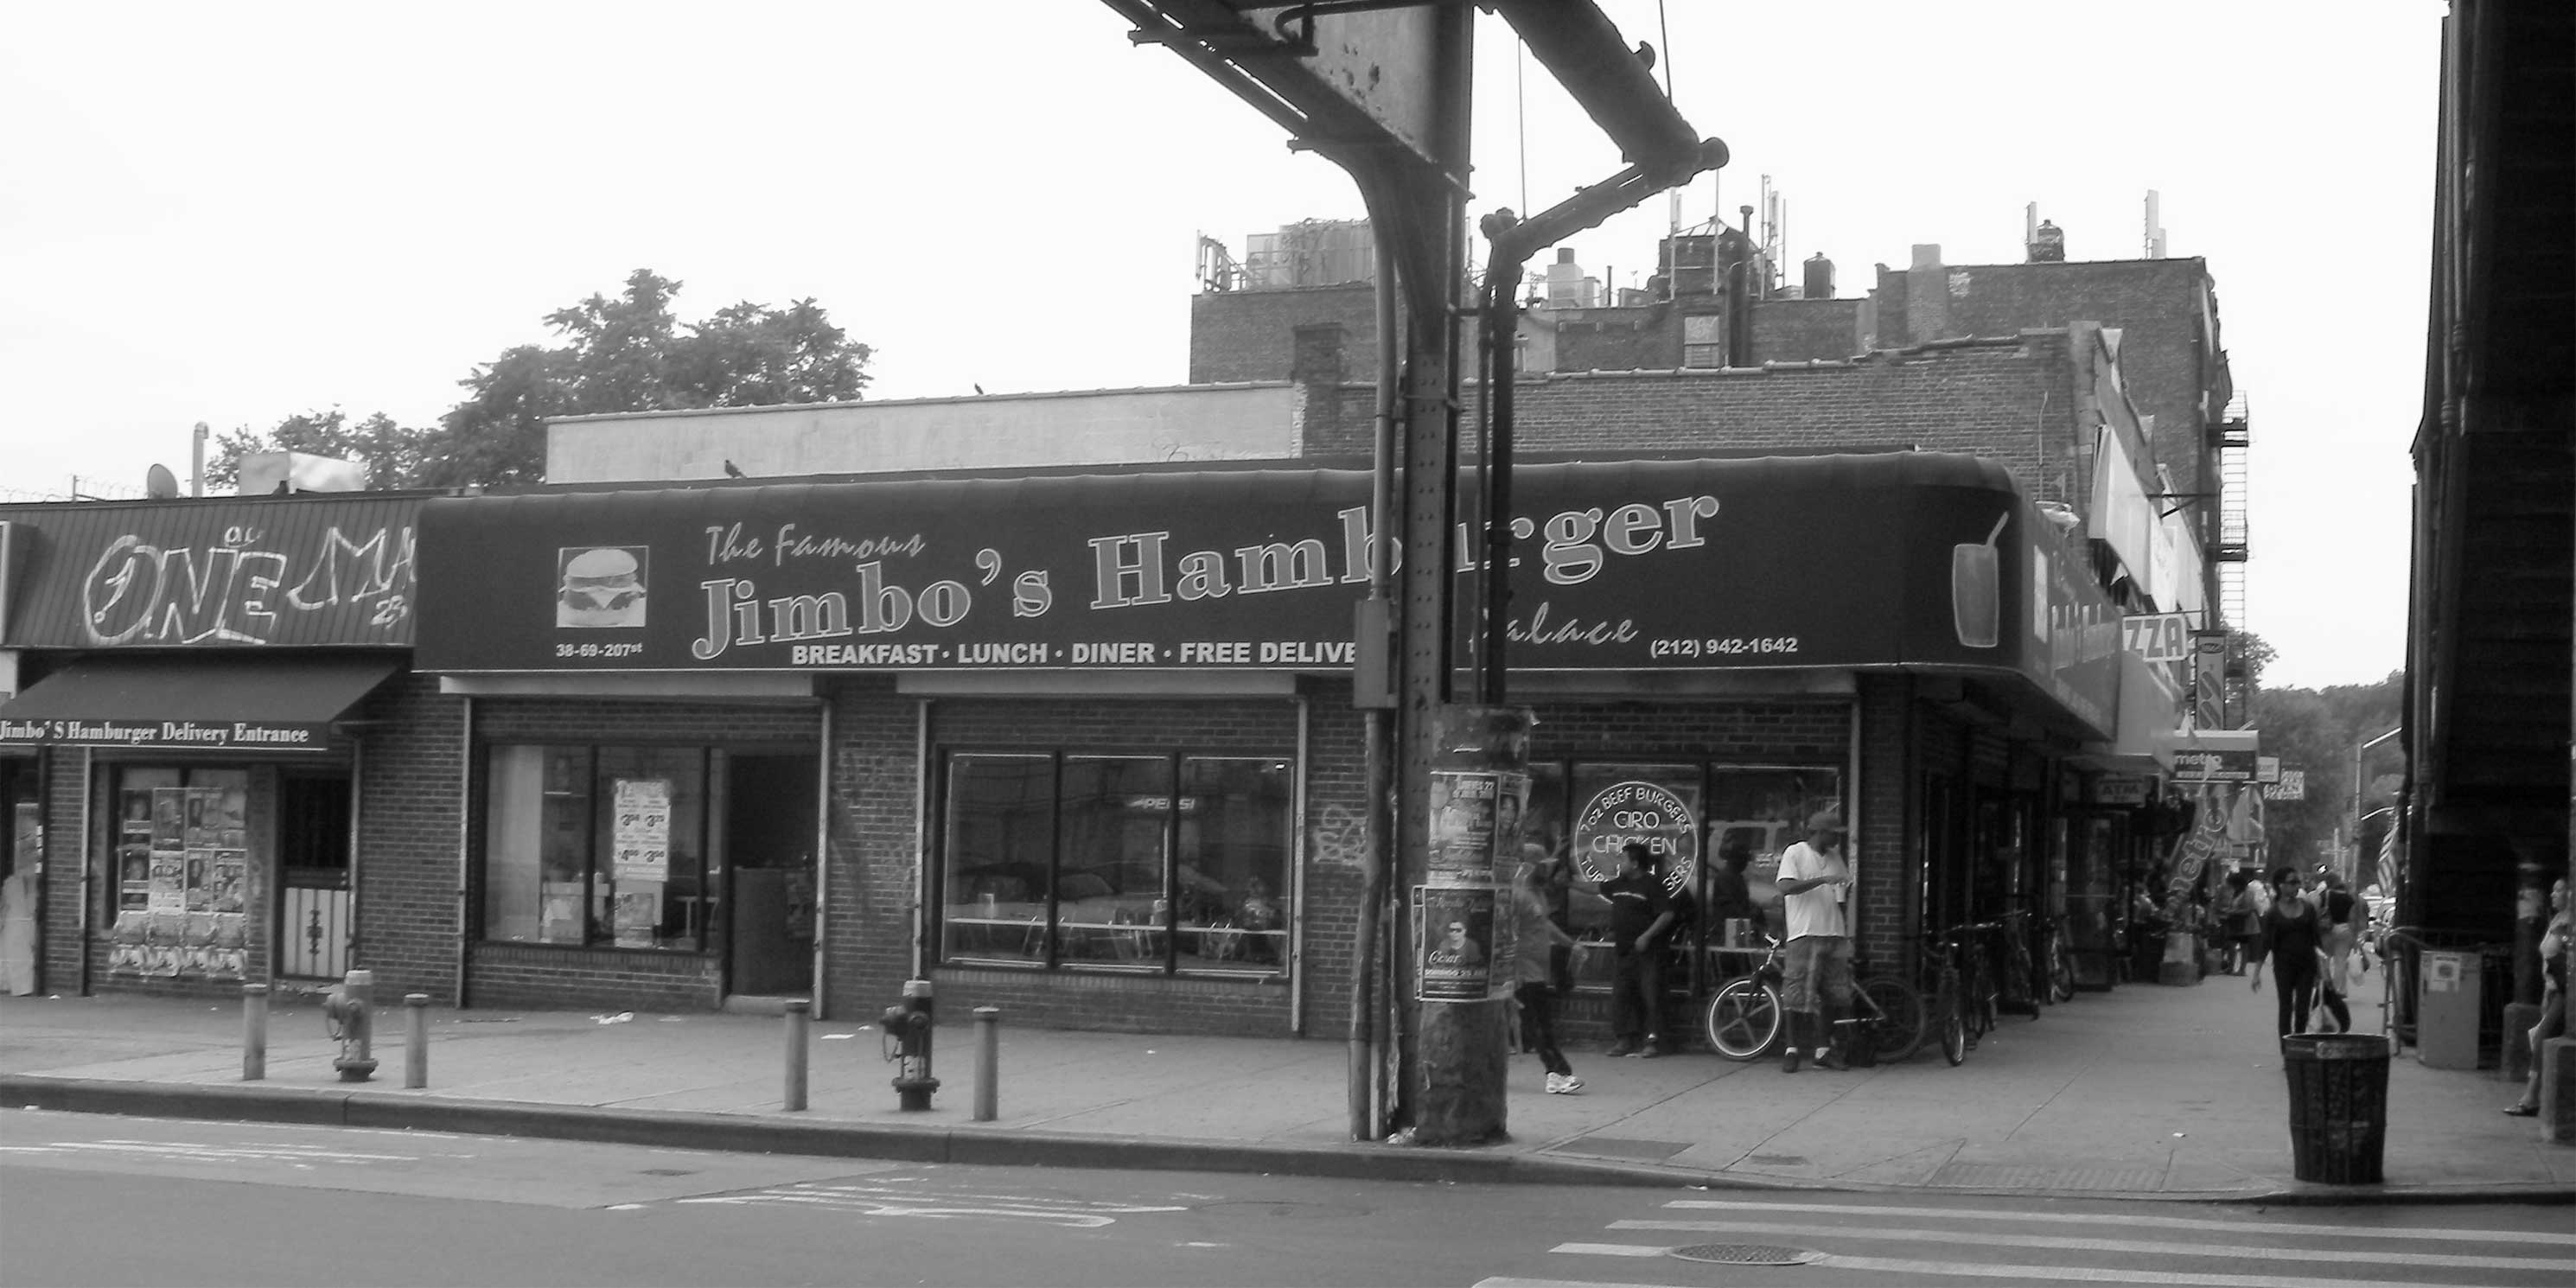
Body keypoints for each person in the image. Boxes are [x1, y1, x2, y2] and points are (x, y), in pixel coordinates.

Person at [1775, 808, 1855, 1073]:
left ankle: (1823, 1051)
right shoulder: (1795, 853)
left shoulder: (1835, 857)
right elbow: (1786, 887)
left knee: (1833, 995)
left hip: (1833, 933)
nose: (1837, 839)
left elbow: (1841, 893)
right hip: (1804, 933)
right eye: (1834, 834)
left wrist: (1845, 929)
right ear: (1820, 832)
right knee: (1796, 994)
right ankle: (1792, 1049)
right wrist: (1822, 880)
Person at [1514, 859, 1583, 1094]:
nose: (1548, 871)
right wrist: (1512, 971)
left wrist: (1570, 944)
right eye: (1543, 866)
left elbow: (1544, 925)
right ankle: (1557, 1073)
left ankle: (1559, 1072)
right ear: (1530, 867)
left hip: (1536, 971)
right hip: (1524, 971)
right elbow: (1506, 932)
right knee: (1538, 1024)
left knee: (1538, 1023)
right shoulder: (1518, 895)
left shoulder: (1537, 894)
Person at [1601, 841, 1676, 1057]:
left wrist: (1647, 935)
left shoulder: (1652, 886)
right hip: (1624, 949)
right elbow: (1595, 889)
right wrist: (1568, 883)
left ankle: (1652, 1040)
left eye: (1623, 859)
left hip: (1647, 951)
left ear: (1635, 863)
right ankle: (1625, 1038)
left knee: (1650, 995)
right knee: (1623, 995)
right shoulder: (1619, 884)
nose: (1619, 862)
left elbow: (1667, 914)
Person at [2504, 877, 2569, 1118]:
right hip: (2553, 988)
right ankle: (2538, 1094)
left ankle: (2531, 1096)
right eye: (2552, 890)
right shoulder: (2557, 919)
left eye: (2559, 890)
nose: (2553, 895)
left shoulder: (2569, 923)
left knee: (2543, 1036)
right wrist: (2546, 993)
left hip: (2566, 990)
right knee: (2541, 1036)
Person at [2251, 866, 2326, 1037]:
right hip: (2283, 967)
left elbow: (2317, 941)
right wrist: (2256, 974)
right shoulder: (2273, 913)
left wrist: (2323, 970)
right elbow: (2265, 944)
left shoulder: (2308, 909)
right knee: (2286, 1008)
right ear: (2280, 885)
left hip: (2307, 966)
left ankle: (2299, 1045)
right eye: (2292, 883)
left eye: (2297, 883)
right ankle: (2287, 1050)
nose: (2296, 886)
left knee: (2302, 1010)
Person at [2315, 872, 2362, 1032]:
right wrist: (2355, 937)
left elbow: (2317, 910)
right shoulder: (2350, 898)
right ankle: (2339, 990)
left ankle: (2326, 988)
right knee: (2341, 961)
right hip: (2344, 929)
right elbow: (2353, 917)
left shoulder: (2325, 895)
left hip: (2328, 929)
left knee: (2326, 958)